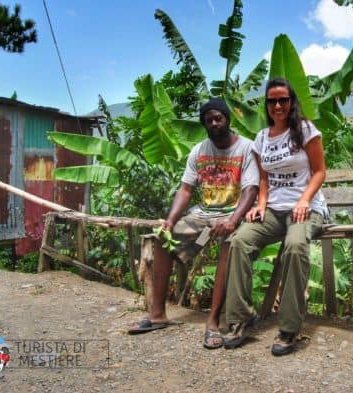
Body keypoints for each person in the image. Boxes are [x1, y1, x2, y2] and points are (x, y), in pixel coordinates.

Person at [128, 98, 259, 350]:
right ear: (204, 124)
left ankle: (212, 322)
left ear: (227, 119)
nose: (214, 123)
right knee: (163, 240)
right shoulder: (199, 151)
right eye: (208, 120)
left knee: (228, 244)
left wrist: (232, 220)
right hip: (203, 214)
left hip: (234, 214)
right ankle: (157, 315)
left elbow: (251, 190)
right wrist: (170, 220)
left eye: (218, 118)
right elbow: (186, 190)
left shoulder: (246, 149)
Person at [223, 78, 327, 356]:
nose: (278, 105)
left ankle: (289, 328)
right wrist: (260, 205)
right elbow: (265, 178)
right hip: (274, 210)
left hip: (306, 209)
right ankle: (241, 318)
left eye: (283, 100)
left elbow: (319, 171)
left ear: (291, 102)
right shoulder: (262, 138)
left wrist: (304, 200)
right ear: (266, 105)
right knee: (240, 241)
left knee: (294, 247)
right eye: (272, 101)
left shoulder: (305, 130)